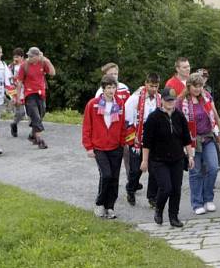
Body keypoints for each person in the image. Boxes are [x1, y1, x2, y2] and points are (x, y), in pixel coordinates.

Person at [141, 88, 193, 228]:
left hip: (177, 158)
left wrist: (190, 156)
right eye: (167, 100)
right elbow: (146, 142)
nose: (170, 102)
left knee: (176, 188)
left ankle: (173, 216)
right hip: (158, 159)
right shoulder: (154, 117)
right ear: (162, 100)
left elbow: (186, 138)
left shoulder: (180, 116)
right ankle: (159, 209)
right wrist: (145, 161)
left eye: (172, 100)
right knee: (166, 187)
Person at [82, 75, 128, 219]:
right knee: (106, 175)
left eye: (113, 87)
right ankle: (100, 203)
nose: (111, 90)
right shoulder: (93, 104)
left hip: (116, 147)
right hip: (99, 146)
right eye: (108, 87)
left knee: (114, 178)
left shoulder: (119, 104)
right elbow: (87, 126)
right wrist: (88, 147)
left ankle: (110, 207)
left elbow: (122, 126)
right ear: (103, 88)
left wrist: (122, 143)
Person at [177, 73, 220, 215]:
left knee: (213, 167)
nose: (197, 89)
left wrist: (219, 131)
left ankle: (208, 198)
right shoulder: (181, 101)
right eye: (194, 86)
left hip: (208, 137)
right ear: (188, 86)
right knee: (195, 171)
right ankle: (197, 203)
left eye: (200, 86)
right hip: (191, 140)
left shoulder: (207, 97)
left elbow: (214, 114)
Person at [124, 73, 161, 207]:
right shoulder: (136, 98)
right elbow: (127, 117)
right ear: (146, 83)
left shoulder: (159, 98)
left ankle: (152, 197)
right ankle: (131, 189)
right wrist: (131, 138)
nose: (153, 89)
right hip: (138, 138)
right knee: (136, 169)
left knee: (154, 169)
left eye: (156, 86)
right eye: (151, 86)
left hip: (153, 139)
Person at [17, 47, 56, 149]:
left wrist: (47, 60)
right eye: (28, 55)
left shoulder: (42, 63)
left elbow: (52, 73)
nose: (29, 57)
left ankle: (32, 135)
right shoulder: (24, 65)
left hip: (41, 93)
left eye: (31, 56)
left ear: (38, 56)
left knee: (41, 115)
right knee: (35, 116)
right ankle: (39, 140)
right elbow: (20, 82)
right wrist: (18, 97)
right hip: (29, 94)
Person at [8, 48, 26, 137]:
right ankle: (14, 124)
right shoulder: (10, 67)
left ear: (22, 57)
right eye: (14, 57)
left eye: (17, 57)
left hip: (26, 90)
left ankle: (35, 128)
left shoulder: (26, 65)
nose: (15, 58)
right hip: (16, 91)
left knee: (33, 110)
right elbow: (7, 79)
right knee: (21, 112)